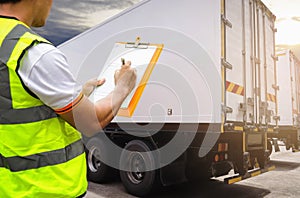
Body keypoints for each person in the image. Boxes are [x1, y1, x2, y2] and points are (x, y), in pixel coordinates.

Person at [0, 0, 137, 197]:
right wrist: (122, 88)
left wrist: (81, 93)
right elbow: (91, 122)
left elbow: (14, 105)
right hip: (44, 189)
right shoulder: (32, 52)